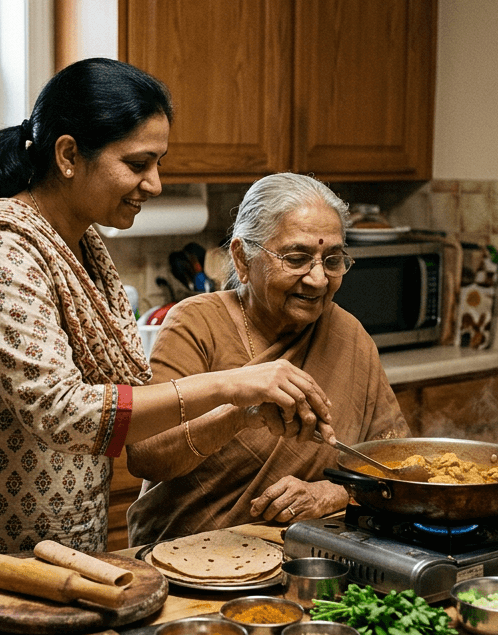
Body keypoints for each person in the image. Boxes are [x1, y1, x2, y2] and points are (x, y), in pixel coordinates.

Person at [0, 59, 336, 635]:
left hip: (59, 551)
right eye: (138, 164)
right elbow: (68, 413)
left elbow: (130, 417)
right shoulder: (1, 249)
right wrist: (234, 383)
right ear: (69, 154)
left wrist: (243, 410)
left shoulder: (84, 249)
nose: (155, 183)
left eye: (158, 162)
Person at [125, 173, 410, 546]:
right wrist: (240, 414)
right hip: (185, 560)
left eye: (333, 260)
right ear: (242, 258)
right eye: (297, 258)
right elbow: (146, 456)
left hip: (304, 560)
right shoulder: (196, 322)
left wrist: (331, 493)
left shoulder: (348, 334)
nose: (318, 279)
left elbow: (395, 465)